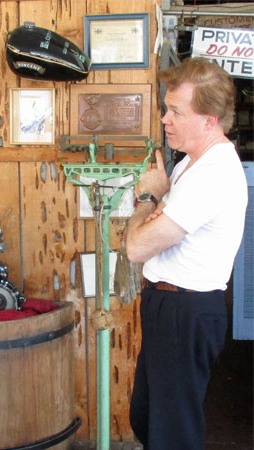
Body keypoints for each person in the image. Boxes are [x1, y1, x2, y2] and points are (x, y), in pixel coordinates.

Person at [126, 57, 248, 450]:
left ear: (210, 118)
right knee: (148, 416)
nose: (165, 119)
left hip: (186, 310)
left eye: (176, 111)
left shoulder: (213, 173)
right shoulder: (189, 165)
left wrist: (147, 196)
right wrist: (155, 206)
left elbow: (137, 246)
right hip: (168, 304)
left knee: (172, 433)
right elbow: (151, 237)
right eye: (166, 108)